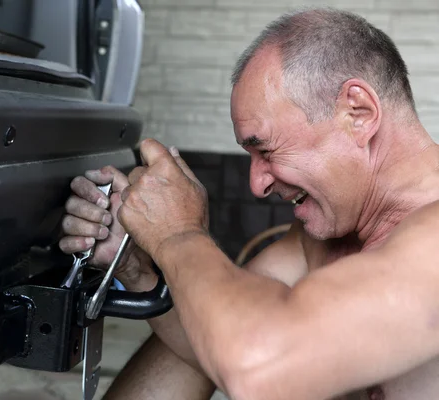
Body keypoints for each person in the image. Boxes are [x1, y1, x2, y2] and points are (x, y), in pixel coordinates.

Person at [59, 7, 439, 400]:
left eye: (267, 150)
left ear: (358, 113)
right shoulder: (320, 239)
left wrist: (178, 234)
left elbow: (259, 367)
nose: (257, 184)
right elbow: (217, 338)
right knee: (215, 305)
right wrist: (137, 268)